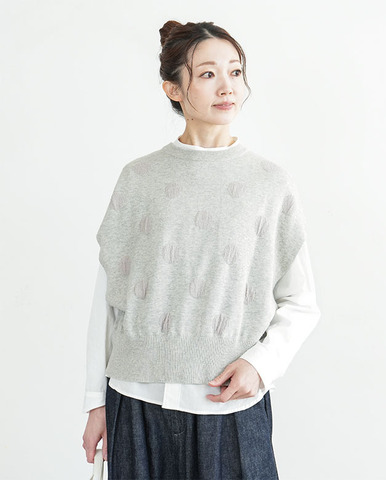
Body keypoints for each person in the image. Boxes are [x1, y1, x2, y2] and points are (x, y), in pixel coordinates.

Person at [82, 20, 321, 480]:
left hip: (229, 407)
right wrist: (96, 401)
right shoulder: (138, 179)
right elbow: (107, 300)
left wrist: (260, 365)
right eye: (208, 74)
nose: (227, 86)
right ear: (173, 89)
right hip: (136, 403)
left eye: (235, 71)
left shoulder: (269, 184)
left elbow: (301, 301)